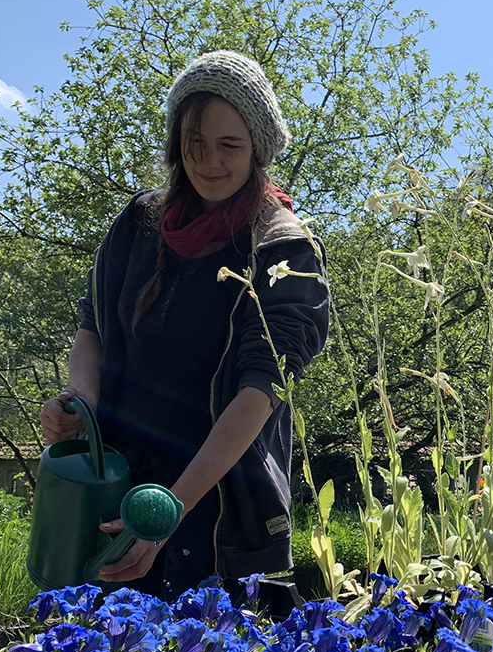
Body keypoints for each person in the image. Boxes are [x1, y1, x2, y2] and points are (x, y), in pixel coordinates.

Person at [39, 50, 330, 600]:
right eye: (196, 143)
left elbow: (260, 390)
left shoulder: (284, 247)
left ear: (258, 149)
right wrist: (80, 404)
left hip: (214, 509)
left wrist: (169, 509)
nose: (210, 161)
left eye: (230, 145)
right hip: (116, 488)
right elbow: (93, 328)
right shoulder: (138, 223)